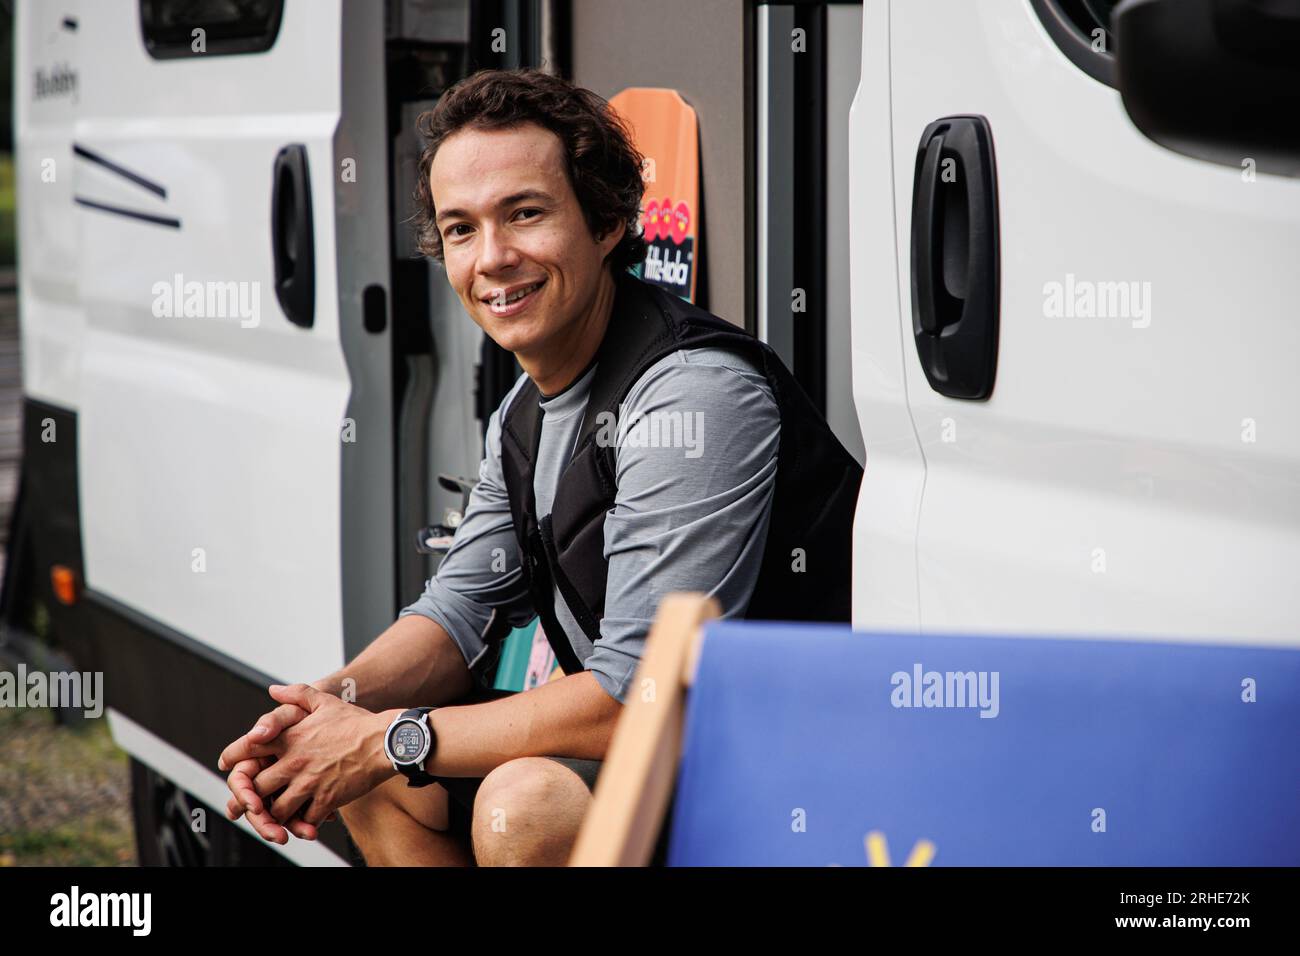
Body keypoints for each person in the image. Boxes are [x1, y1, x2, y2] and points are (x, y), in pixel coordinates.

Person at [217, 68, 861, 866]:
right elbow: (458, 612)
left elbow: (637, 696)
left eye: (525, 213)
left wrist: (387, 736)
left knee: (519, 806)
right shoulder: (526, 408)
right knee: (382, 781)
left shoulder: (694, 395)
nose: (492, 257)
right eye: (460, 229)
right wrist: (330, 709)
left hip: (796, 765)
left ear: (607, 222)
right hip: (677, 753)